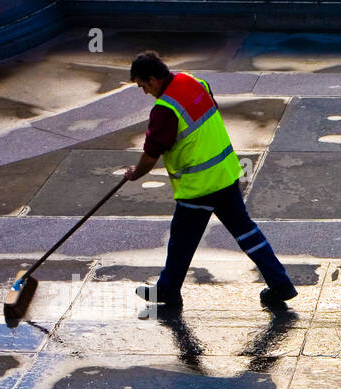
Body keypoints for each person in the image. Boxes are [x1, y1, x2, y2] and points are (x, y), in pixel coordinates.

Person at [124, 51, 296, 312]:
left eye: (143, 85)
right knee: (246, 232)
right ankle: (280, 284)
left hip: (199, 185)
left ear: (153, 79)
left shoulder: (164, 111)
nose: (145, 92)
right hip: (225, 174)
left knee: (182, 239)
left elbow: (151, 155)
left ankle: (169, 291)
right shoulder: (195, 82)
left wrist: (134, 174)